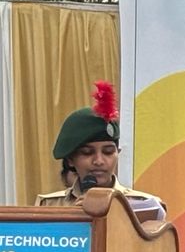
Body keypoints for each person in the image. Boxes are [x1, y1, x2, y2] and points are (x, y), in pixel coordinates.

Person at [34, 82, 164, 219]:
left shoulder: (145, 205)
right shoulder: (49, 205)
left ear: (117, 153)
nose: (99, 161)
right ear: (71, 160)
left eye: (108, 152)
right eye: (87, 153)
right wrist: (74, 216)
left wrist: (113, 210)